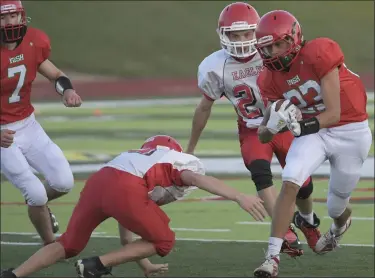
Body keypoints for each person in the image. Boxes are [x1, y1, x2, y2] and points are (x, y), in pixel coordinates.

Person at [1, 135, 267, 278]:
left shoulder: (134, 156)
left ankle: (14, 274)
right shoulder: (172, 159)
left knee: (68, 243)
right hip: (125, 188)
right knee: (164, 240)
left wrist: (145, 266)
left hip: (98, 182)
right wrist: (238, 196)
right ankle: (95, 265)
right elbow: (195, 178)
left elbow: (126, 226)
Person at [186, 2, 315, 258]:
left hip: (283, 125)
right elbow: (203, 108)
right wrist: (190, 150)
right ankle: (285, 231)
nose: (242, 40)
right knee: (260, 172)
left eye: (247, 33)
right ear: (223, 35)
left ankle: (308, 220)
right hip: (252, 128)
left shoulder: (271, 51)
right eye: (235, 35)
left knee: (303, 184)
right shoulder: (214, 66)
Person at [253, 10, 372, 277]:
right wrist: (270, 128)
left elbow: (333, 114)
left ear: (293, 38)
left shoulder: (318, 53)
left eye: (278, 44)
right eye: (267, 47)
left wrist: (298, 126)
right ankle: (271, 257)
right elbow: (263, 133)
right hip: (314, 132)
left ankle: (339, 226)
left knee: (336, 206)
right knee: (291, 179)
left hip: (350, 131)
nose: (273, 52)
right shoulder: (268, 78)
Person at [1, 0, 82, 245]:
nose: (10, 22)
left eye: (14, 16)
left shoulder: (33, 41)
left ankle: (41, 208)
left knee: (64, 182)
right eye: (4, 17)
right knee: (35, 192)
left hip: (28, 124)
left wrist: (66, 91)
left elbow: (56, 74)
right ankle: (50, 243)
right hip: (3, 134)